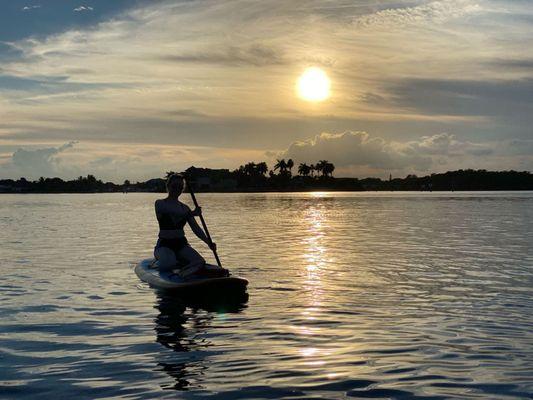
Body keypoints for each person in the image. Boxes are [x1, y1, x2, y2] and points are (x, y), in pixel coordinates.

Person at [154, 174, 216, 277]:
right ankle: (159, 263)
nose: (177, 189)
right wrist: (192, 214)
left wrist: (208, 242)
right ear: (168, 186)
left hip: (181, 243)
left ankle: (182, 273)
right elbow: (173, 212)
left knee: (200, 261)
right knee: (170, 263)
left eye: (180, 187)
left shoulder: (185, 208)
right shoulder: (160, 203)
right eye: (174, 186)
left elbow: (196, 229)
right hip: (164, 244)